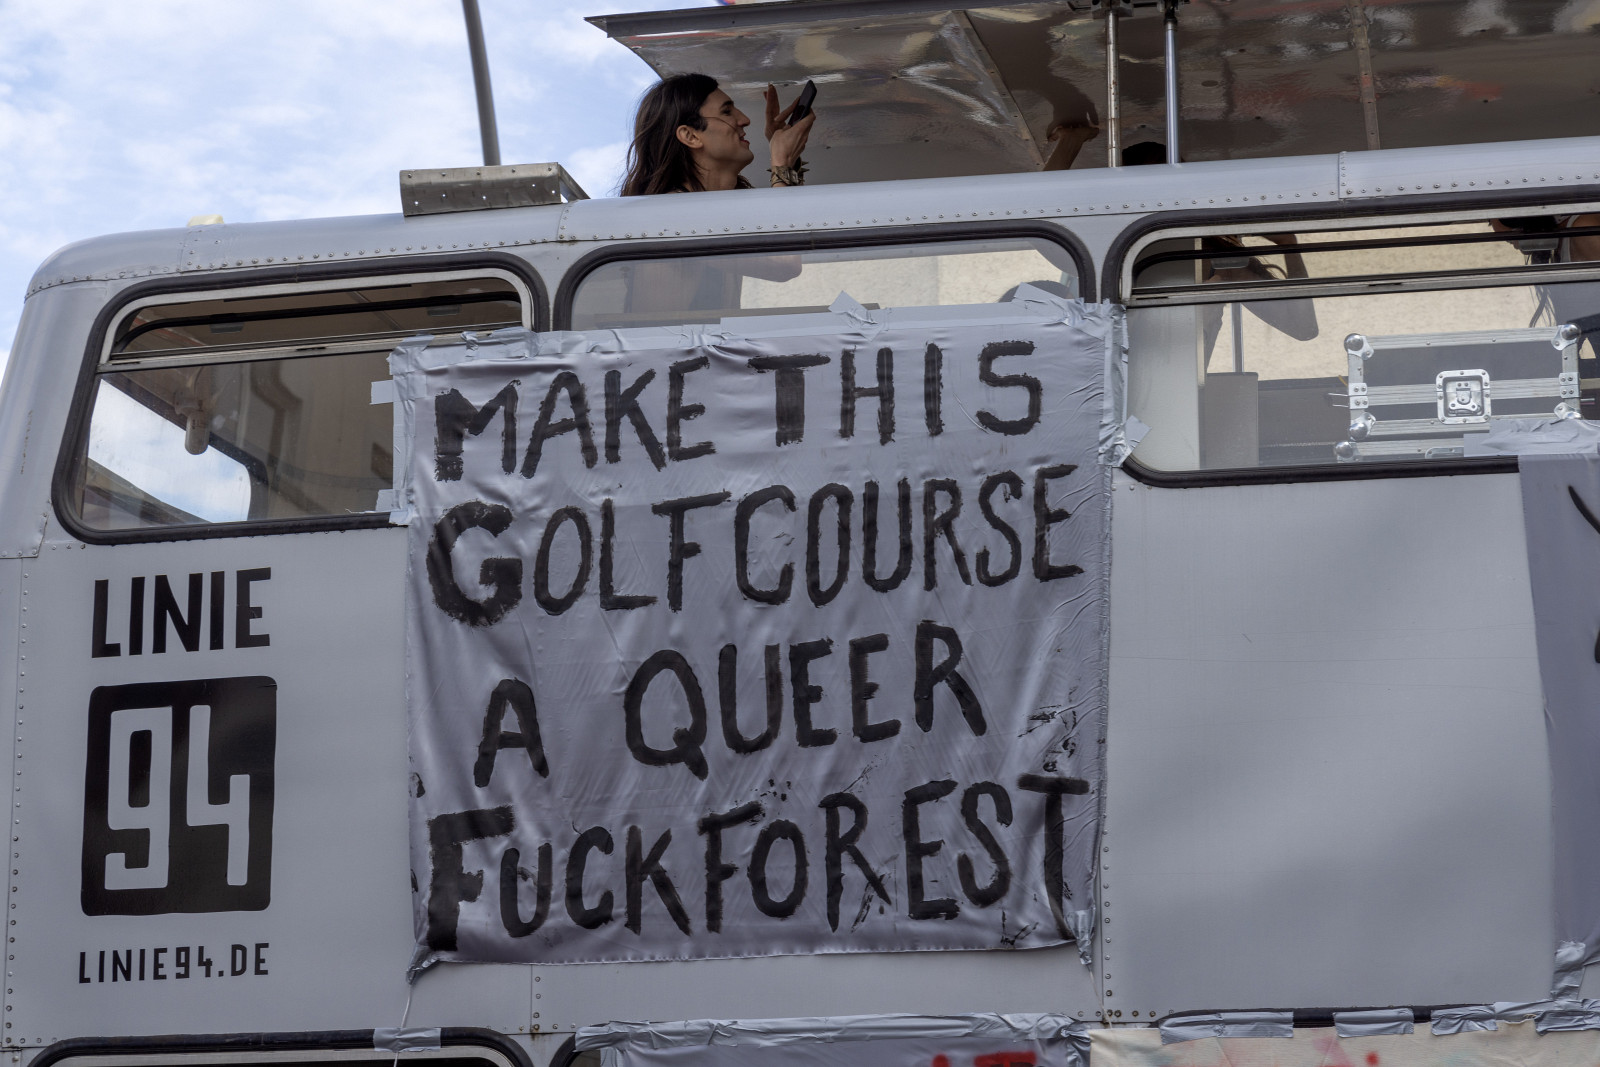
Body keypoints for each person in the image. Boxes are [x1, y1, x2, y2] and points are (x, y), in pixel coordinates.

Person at [621, 73, 816, 195]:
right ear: (690, 136)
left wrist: (789, 161)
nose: (745, 119)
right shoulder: (668, 212)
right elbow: (784, 248)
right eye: (726, 112)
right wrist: (782, 163)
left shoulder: (734, 205)